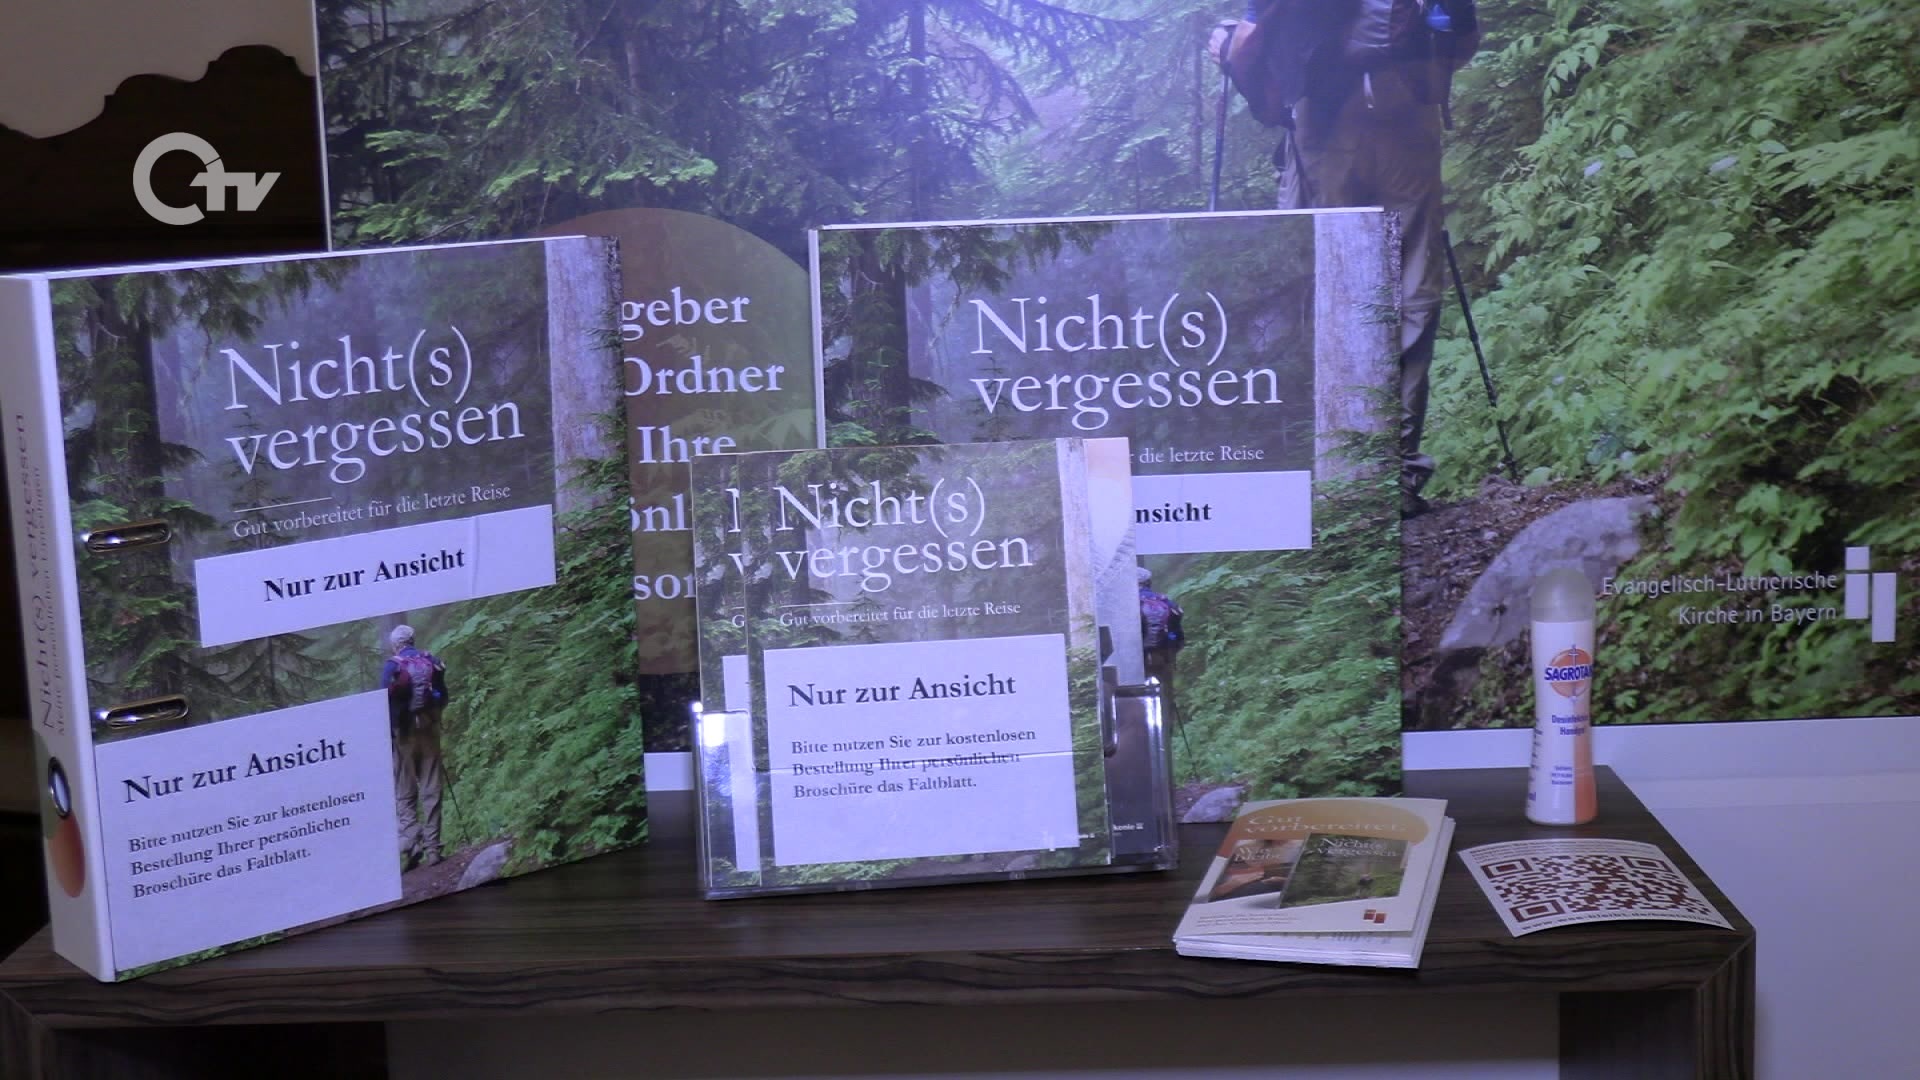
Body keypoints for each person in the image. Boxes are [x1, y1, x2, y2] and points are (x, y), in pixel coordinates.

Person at [1212, 1, 1481, 515]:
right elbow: (1459, 33)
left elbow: (1248, 42)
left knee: (1330, 283)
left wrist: (1234, 56)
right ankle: (1395, 475)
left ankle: (1333, 470)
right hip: (1408, 117)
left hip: (1325, 125)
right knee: (1412, 284)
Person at [382, 624, 448, 870]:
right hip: (429, 730)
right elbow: (443, 695)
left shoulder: (392, 667)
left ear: (395, 645)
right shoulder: (430, 661)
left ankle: (413, 842)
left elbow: (382, 702)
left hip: (403, 736)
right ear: (412, 640)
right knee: (431, 788)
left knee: (405, 790)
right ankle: (433, 848)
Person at [1138, 567, 1186, 720]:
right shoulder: (1165, 601)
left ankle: (1143, 726)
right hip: (1164, 656)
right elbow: (1177, 628)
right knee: (1165, 695)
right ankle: (1167, 725)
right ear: (1149, 583)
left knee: (1140, 696)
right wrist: (1173, 647)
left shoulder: (1130, 604)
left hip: (1140, 658)